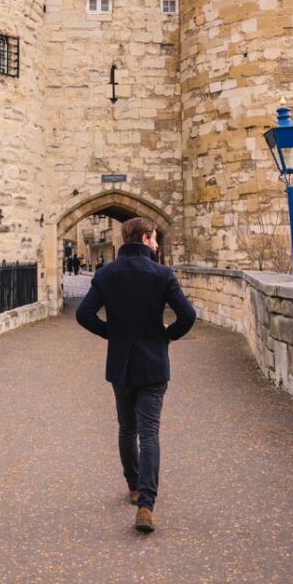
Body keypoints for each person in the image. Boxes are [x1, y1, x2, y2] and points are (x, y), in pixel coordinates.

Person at [76, 216, 195, 533]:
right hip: (154, 363)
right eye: (155, 239)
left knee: (128, 428)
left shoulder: (107, 273)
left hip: (121, 364)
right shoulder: (161, 274)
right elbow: (188, 315)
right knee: (150, 432)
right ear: (144, 238)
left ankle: (133, 485)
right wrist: (168, 336)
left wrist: (110, 333)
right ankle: (146, 504)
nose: (156, 244)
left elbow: (84, 314)